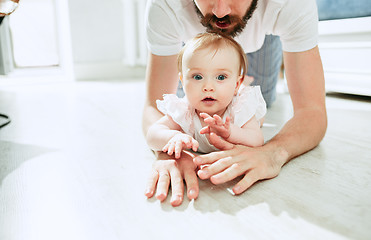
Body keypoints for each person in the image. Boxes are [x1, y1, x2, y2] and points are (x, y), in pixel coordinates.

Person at [143, 0, 327, 207]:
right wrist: (168, 149)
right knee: (190, 94)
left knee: (263, 94)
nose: (220, 12)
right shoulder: (165, 5)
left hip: (260, 43)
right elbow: (154, 107)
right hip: (196, 58)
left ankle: (215, 78)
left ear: (238, 82)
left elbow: (312, 111)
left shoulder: (289, 5)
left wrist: (273, 153)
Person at [147, 32, 266, 161]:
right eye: (197, 77)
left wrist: (231, 132)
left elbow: (257, 140)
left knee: (259, 118)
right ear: (182, 80)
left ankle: (243, 86)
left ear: (236, 83)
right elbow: (152, 135)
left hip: (237, 98)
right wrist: (172, 136)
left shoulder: (239, 108)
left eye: (221, 77)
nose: (208, 87)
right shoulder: (184, 111)